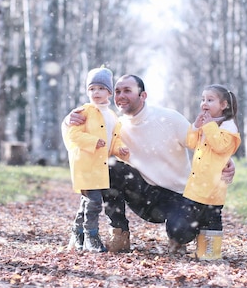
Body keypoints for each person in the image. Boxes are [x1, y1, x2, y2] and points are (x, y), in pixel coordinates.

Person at [65, 74, 236, 254]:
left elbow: (202, 142)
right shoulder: (115, 124)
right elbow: (79, 143)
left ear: (143, 95)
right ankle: (119, 232)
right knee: (108, 168)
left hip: (178, 194)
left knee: (181, 232)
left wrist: (227, 161)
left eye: (127, 91)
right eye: (117, 91)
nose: (121, 96)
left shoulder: (169, 118)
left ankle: (181, 235)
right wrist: (68, 121)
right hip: (142, 193)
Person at [61, 67, 129, 253]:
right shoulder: (84, 111)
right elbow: (73, 135)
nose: (95, 93)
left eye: (100, 88)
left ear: (109, 91)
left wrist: (119, 148)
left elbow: (114, 139)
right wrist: (93, 141)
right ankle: (91, 235)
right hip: (85, 164)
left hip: (101, 166)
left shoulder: (112, 115)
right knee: (94, 202)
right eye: (91, 89)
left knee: (87, 202)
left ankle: (78, 233)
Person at [184, 84, 241, 260]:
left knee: (212, 220)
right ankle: (196, 245)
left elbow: (220, 146)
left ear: (223, 105)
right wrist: (196, 126)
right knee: (193, 218)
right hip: (196, 185)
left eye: (210, 100)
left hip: (214, 186)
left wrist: (208, 126)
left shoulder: (229, 128)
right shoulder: (208, 125)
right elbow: (191, 144)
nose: (204, 103)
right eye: (203, 99)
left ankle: (210, 253)